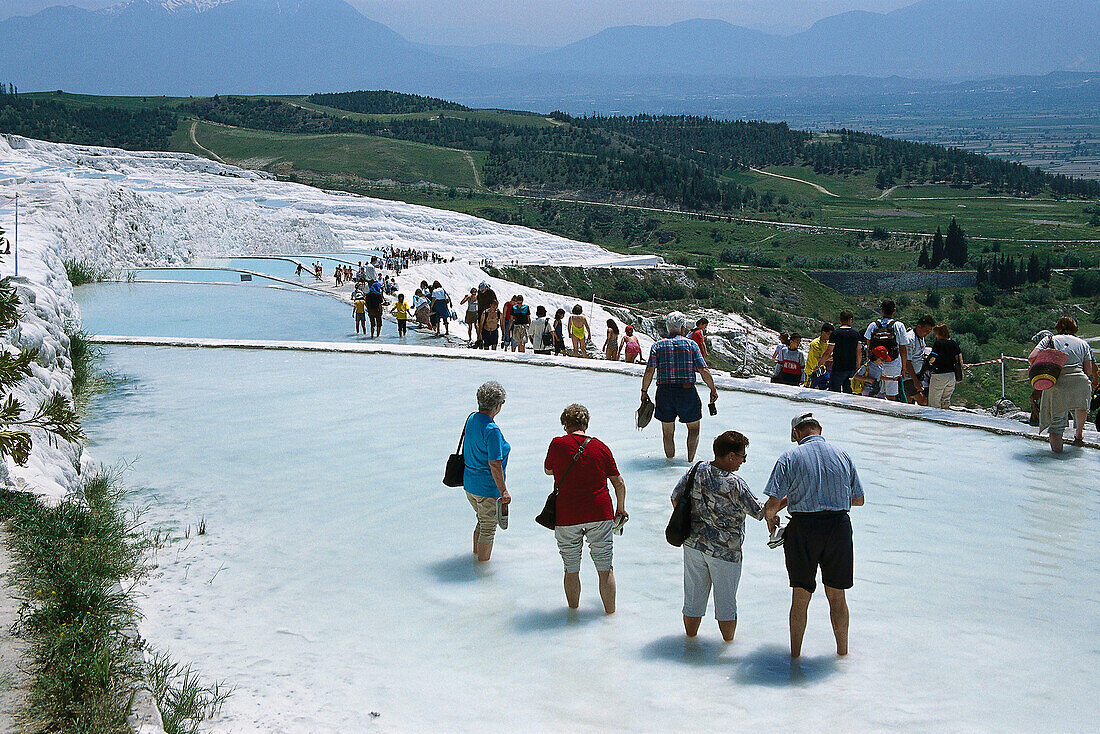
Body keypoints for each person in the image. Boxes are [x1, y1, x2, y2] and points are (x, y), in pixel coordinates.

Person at [763, 413, 865, 658]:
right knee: (837, 595)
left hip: (804, 530)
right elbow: (859, 500)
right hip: (838, 528)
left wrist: (771, 516)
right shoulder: (843, 455)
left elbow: (771, 504)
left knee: (800, 595)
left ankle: (795, 657)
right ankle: (843, 654)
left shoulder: (790, 457)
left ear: (796, 433)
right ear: (819, 428)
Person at [671, 430, 765, 642]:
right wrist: (787, 499)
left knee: (693, 601)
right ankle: (727, 648)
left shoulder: (696, 469)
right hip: (725, 553)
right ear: (731, 455)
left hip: (694, 545)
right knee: (726, 605)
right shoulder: (735, 484)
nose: (743, 461)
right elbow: (760, 512)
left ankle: (690, 645)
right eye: (743, 456)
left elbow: (675, 498)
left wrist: (696, 523)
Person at [544, 404, 627, 614]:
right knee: (605, 569)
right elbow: (619, 483)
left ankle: (573, 615)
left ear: (565, 424)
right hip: (600, 514)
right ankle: (610, 617)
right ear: (586, 423)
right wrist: (621, 509)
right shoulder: (601, 447)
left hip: (566, 515)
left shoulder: (557, 444)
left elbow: (548, 470)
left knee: (571, 570)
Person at [640, 312, 719, 461]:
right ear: (683, 327)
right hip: (686, 391)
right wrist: (712, 389)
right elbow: (703, 370)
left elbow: (649, 371)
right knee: (694, 429)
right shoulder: (691, 345)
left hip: (664, 392)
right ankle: (690, 463)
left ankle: (669, 463)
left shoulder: (658, 345)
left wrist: (644, 391)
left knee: (668, 433)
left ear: (668, 327)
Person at [1031, 316, 1096, 453]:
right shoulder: (1083, 343)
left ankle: (1057, 460)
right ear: (1075, 328)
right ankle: (1078, 434)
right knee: (1080, 407)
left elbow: (1032, 358)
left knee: (1056, 426)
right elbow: (1088, 371)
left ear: (1057, 327)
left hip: (1058, 383)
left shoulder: (1049, 339)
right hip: (1080, 381)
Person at [463, 382, 511, 563]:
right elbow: (494, 464)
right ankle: (481, 570)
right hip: (486, 489)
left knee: (482, 522)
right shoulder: (492, 430)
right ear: (497, 405)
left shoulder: (471, 419)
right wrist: (504, 491)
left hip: (469, 485)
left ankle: (475, 559)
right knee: (489, 528)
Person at [864, 300, 909, 401]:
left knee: (874, 391)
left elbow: (869, 346)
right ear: (894, 310)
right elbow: (903, 349)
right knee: (891, 394)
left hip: (875, 363)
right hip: (893, 363)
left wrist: (868, 363)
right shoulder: (899, 326)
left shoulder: (873, 325)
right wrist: (904, 368)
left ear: (881, 310)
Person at [825, 311, 864, 393]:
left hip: (838, 368)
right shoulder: (856, 334)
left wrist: (819, 364)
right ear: (850, 320)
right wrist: (858, 365)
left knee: (834, 392)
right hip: (851, 368)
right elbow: (859, 352)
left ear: (840, 320)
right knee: (848, 392)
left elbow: (828, 352)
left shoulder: (835, 333)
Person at [925, 324, 962, 409]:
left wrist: (927, 362)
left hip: (939, 375)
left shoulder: (938, 343)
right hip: (952, 375)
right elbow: (959, 359)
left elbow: (932, 358)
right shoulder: (954, 343)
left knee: (934, 401)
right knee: (945, 400)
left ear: (938, 333)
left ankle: (934, 420)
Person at [904, 316, 936, 405]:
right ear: (918, 327)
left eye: (929, 331)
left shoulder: (921, 337)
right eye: (926, 330)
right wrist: (915, 381)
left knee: (909, 401)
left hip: (917, 375)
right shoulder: (910, 339)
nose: (927, 333)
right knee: (923, 401)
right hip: (909, 377)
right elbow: (907, 361)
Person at [804, 323, 833, 388]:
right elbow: (819, 359)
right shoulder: (815, 344)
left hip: (822, 370)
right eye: (829, 334)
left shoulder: (828, 343)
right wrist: (828, 357)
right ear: (823, 332)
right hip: (811, 371)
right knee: (808, 389)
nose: (830, 336)